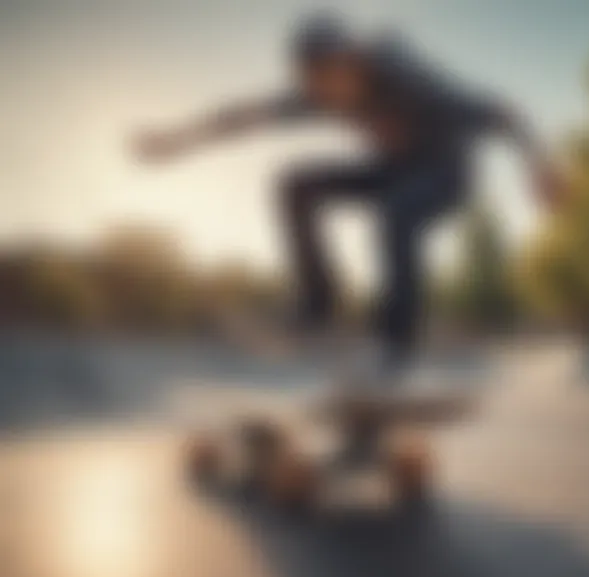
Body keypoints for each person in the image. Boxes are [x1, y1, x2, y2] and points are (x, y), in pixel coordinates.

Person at [134, 13, 563, 372]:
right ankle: (316, 307)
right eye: (314, 86)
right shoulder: (319, 95)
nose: (328, 99)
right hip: (392, 172)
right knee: (295, 183)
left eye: (329, 82)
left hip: (446, 176)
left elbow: (504, 113)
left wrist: (540, 167)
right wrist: (176, 140)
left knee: (397, 214)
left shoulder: (414, 83)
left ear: (353, 62)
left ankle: (397, 343)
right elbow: (243, 117)